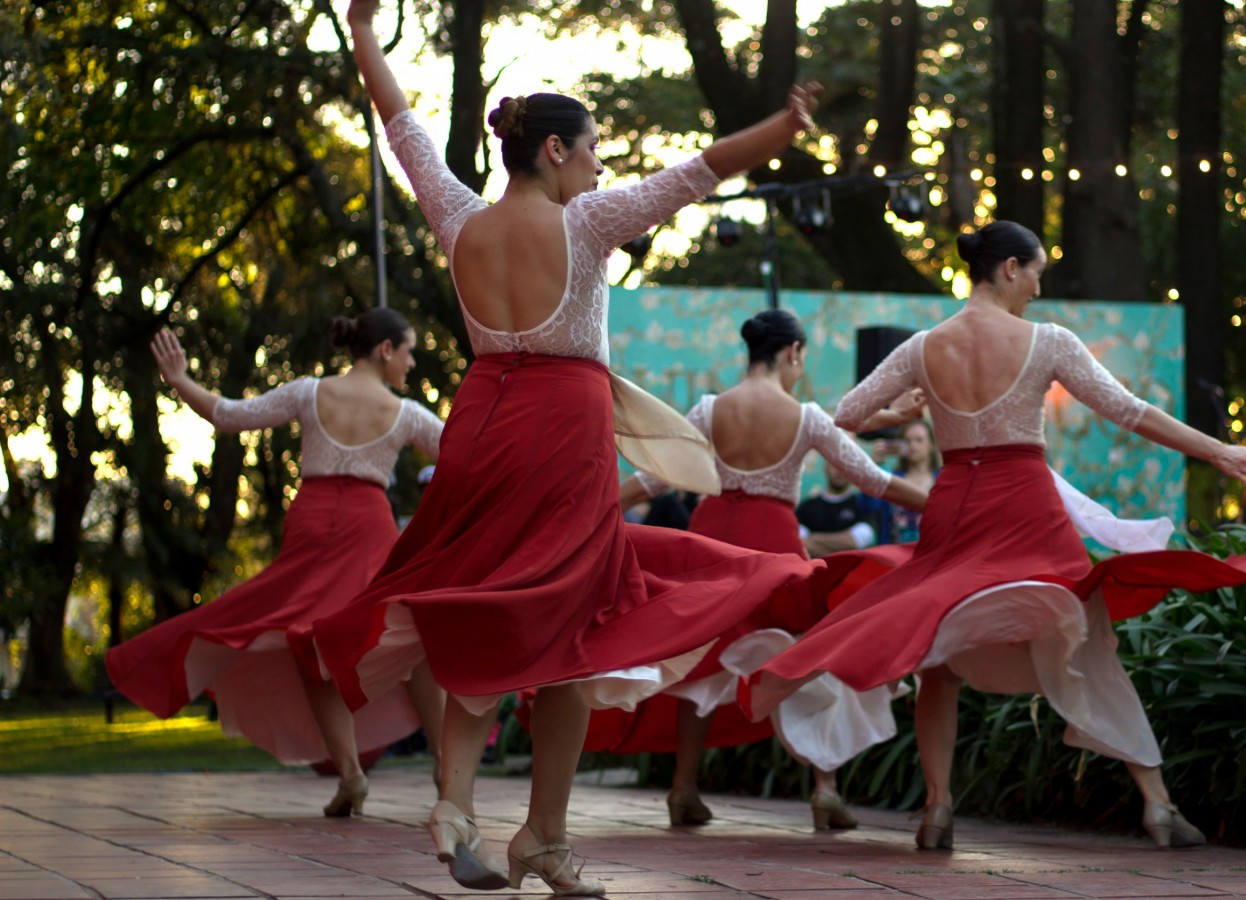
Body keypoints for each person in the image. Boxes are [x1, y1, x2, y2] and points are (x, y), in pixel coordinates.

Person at [315, 3, 828, 894]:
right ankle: (540, 836)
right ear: (553, 150)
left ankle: (464, 809)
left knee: (487, 612)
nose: (599, 164)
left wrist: (362, 34)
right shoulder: (587, 223)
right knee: (575, 630)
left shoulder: (459, 217)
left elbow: (401, 128)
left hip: (481, 429)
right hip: (561, 440)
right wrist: (782, 129)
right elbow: (699, 171)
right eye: (592, 148)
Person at [743, 221, 1246, 852]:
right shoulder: (1048, 340)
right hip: (1026, 508)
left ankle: (938, 808)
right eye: (1035, 273)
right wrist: (1217, 449)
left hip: (955, 509)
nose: (1037, 287)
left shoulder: (921, 348)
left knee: (938, 659)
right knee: (1087, 642)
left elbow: (846, 415)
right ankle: (1157, 804)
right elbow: (1129, 411)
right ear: (1008, 269)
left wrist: (905, 412)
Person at [107, 312, 447, 819]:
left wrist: (180, 380)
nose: (412, 362)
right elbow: (466, 454)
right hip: (368, 530)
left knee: (311, 644)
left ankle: (351, 775)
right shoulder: (408, 414)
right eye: (409, 351)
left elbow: (228, 414)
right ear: (384, 350)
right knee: (405, 636)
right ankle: (444, 766)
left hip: (313, 522)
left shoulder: (309, 392)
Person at [604, 309, 928, 830]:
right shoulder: (806, 417)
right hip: (774, 548)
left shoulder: (710, 409)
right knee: (807, 654)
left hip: (712, 541)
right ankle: (825, 789)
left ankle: (683, 787)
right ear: (792, 353)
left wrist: (599, 510)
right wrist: (940, 505)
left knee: (698, 656)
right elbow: (873, 480)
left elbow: (653, 479)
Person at [797, 460, 886, 557]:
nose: (839, 471)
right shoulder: (806, 508)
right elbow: (800, 544)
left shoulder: (863, 505)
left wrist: (814, 539)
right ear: (825, 468)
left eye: (845, 466)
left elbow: (858, 540)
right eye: (835, 465)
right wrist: (843, 549)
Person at [877, 419, 939, 543]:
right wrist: (877, 464)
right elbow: (871, 508)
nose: (913, 446)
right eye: (907, 441)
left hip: (934, 551)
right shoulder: (892, 479)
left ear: (931, 445)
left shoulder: (943, 480)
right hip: (896, 551)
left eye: (919, 440)